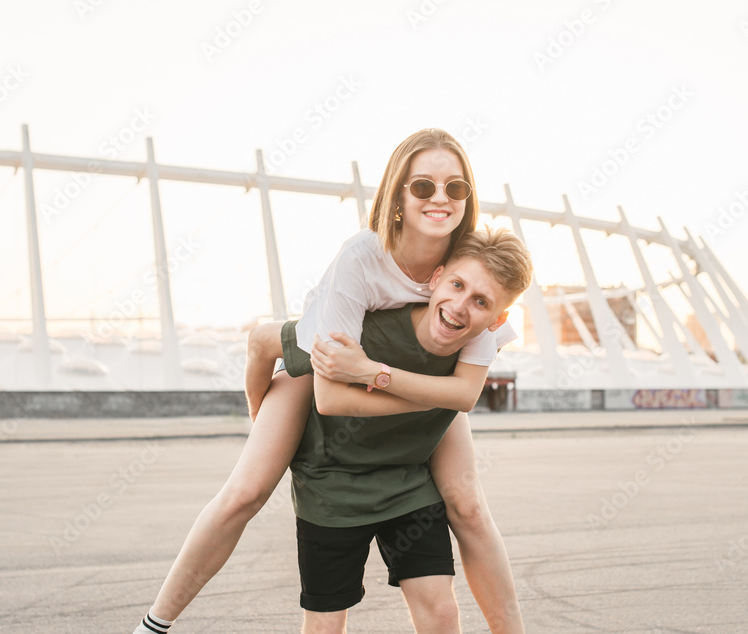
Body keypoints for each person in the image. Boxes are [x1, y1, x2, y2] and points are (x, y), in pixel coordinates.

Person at [134, 129, 527, 634]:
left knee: (469, 505)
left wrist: (382, 377)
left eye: (455, 189)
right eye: (423, 187)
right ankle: (154, 623)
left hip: (396, 367)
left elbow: (464, 394)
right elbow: (332, 390)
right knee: (246, 492)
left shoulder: (470, 272)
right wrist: (273, 402)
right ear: (398, 198)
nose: (440, 199)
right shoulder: (363, 257)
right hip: (321, 359)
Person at [291, 227, 533, 633]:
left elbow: (465, 396)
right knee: (326, 623)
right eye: (457, 285)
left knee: (441, 613)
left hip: (407, 484)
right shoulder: (368, 324)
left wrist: (372, 373)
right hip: (331, 484)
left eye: (480, 301)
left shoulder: (478, 340)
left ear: (498, 319)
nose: (460, 307)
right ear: (436, 278)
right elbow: (270, 341)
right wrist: (258, 412)